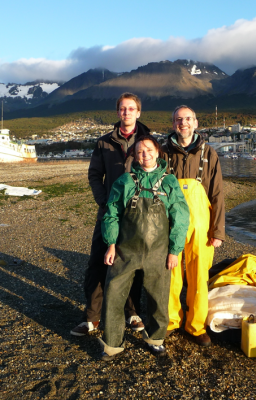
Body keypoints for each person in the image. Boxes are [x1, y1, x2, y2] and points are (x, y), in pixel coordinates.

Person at [99, 135, 189, 360]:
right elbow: (112, 214)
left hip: (159, 252)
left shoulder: (169, 182)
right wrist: (110, 245)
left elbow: (181, 218)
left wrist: (174, 251)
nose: (145, 154)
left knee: (158, 297)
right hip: (125, 250)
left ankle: (155, 338)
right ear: (135, 156)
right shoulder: (124, 182)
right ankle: (112, 343)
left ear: (157, 152)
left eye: (149, 150)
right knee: (113, 293)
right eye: (139, 151)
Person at [70, 93, 148, 336]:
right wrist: (104, 203)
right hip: (108, 213)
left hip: (138, 215)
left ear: (138, 112)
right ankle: (92, 318)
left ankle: (132, 312)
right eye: (122, 109)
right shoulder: (104, 143)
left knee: (134, 264)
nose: (126, 112)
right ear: (118, 113)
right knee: (98, 263)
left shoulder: (149, 142)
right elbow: (95, 175)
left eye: (131, 108)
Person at [163, 105, 225, 347]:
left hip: (203, 222)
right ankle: (170, 321)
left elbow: (218, 194)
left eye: (188, 119)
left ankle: (196, 325)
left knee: (200, 274)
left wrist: (217, 231)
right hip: (171, 221)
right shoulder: (162, 153)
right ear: (173, 124)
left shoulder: (210, 153)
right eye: (179, 119)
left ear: (196, 123)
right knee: (171, 271)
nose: (183, 123)